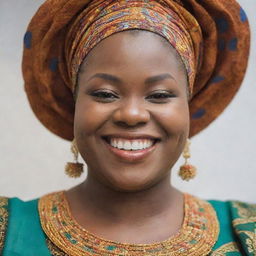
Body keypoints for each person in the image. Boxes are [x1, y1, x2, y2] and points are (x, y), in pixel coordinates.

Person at [0, 0, 255, 255]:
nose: (132, 114)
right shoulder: (8, 233)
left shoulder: (247, 232)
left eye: (159, 95)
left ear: (189, 107)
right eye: (105, 94)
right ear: (74, 104)